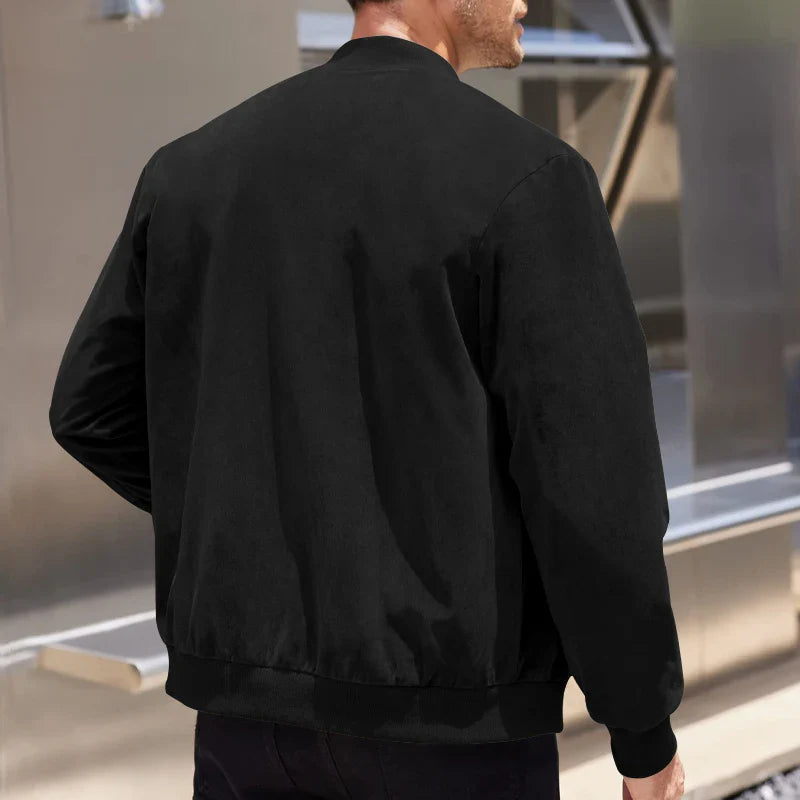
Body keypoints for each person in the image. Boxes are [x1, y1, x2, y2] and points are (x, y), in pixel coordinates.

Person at [47, 0, 687, 797]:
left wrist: (258, 527)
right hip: (449, 731)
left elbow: (90, 410)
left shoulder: (189, 171)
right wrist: (642, 732)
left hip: (244, 727)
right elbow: (594, 494)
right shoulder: (531, 179)